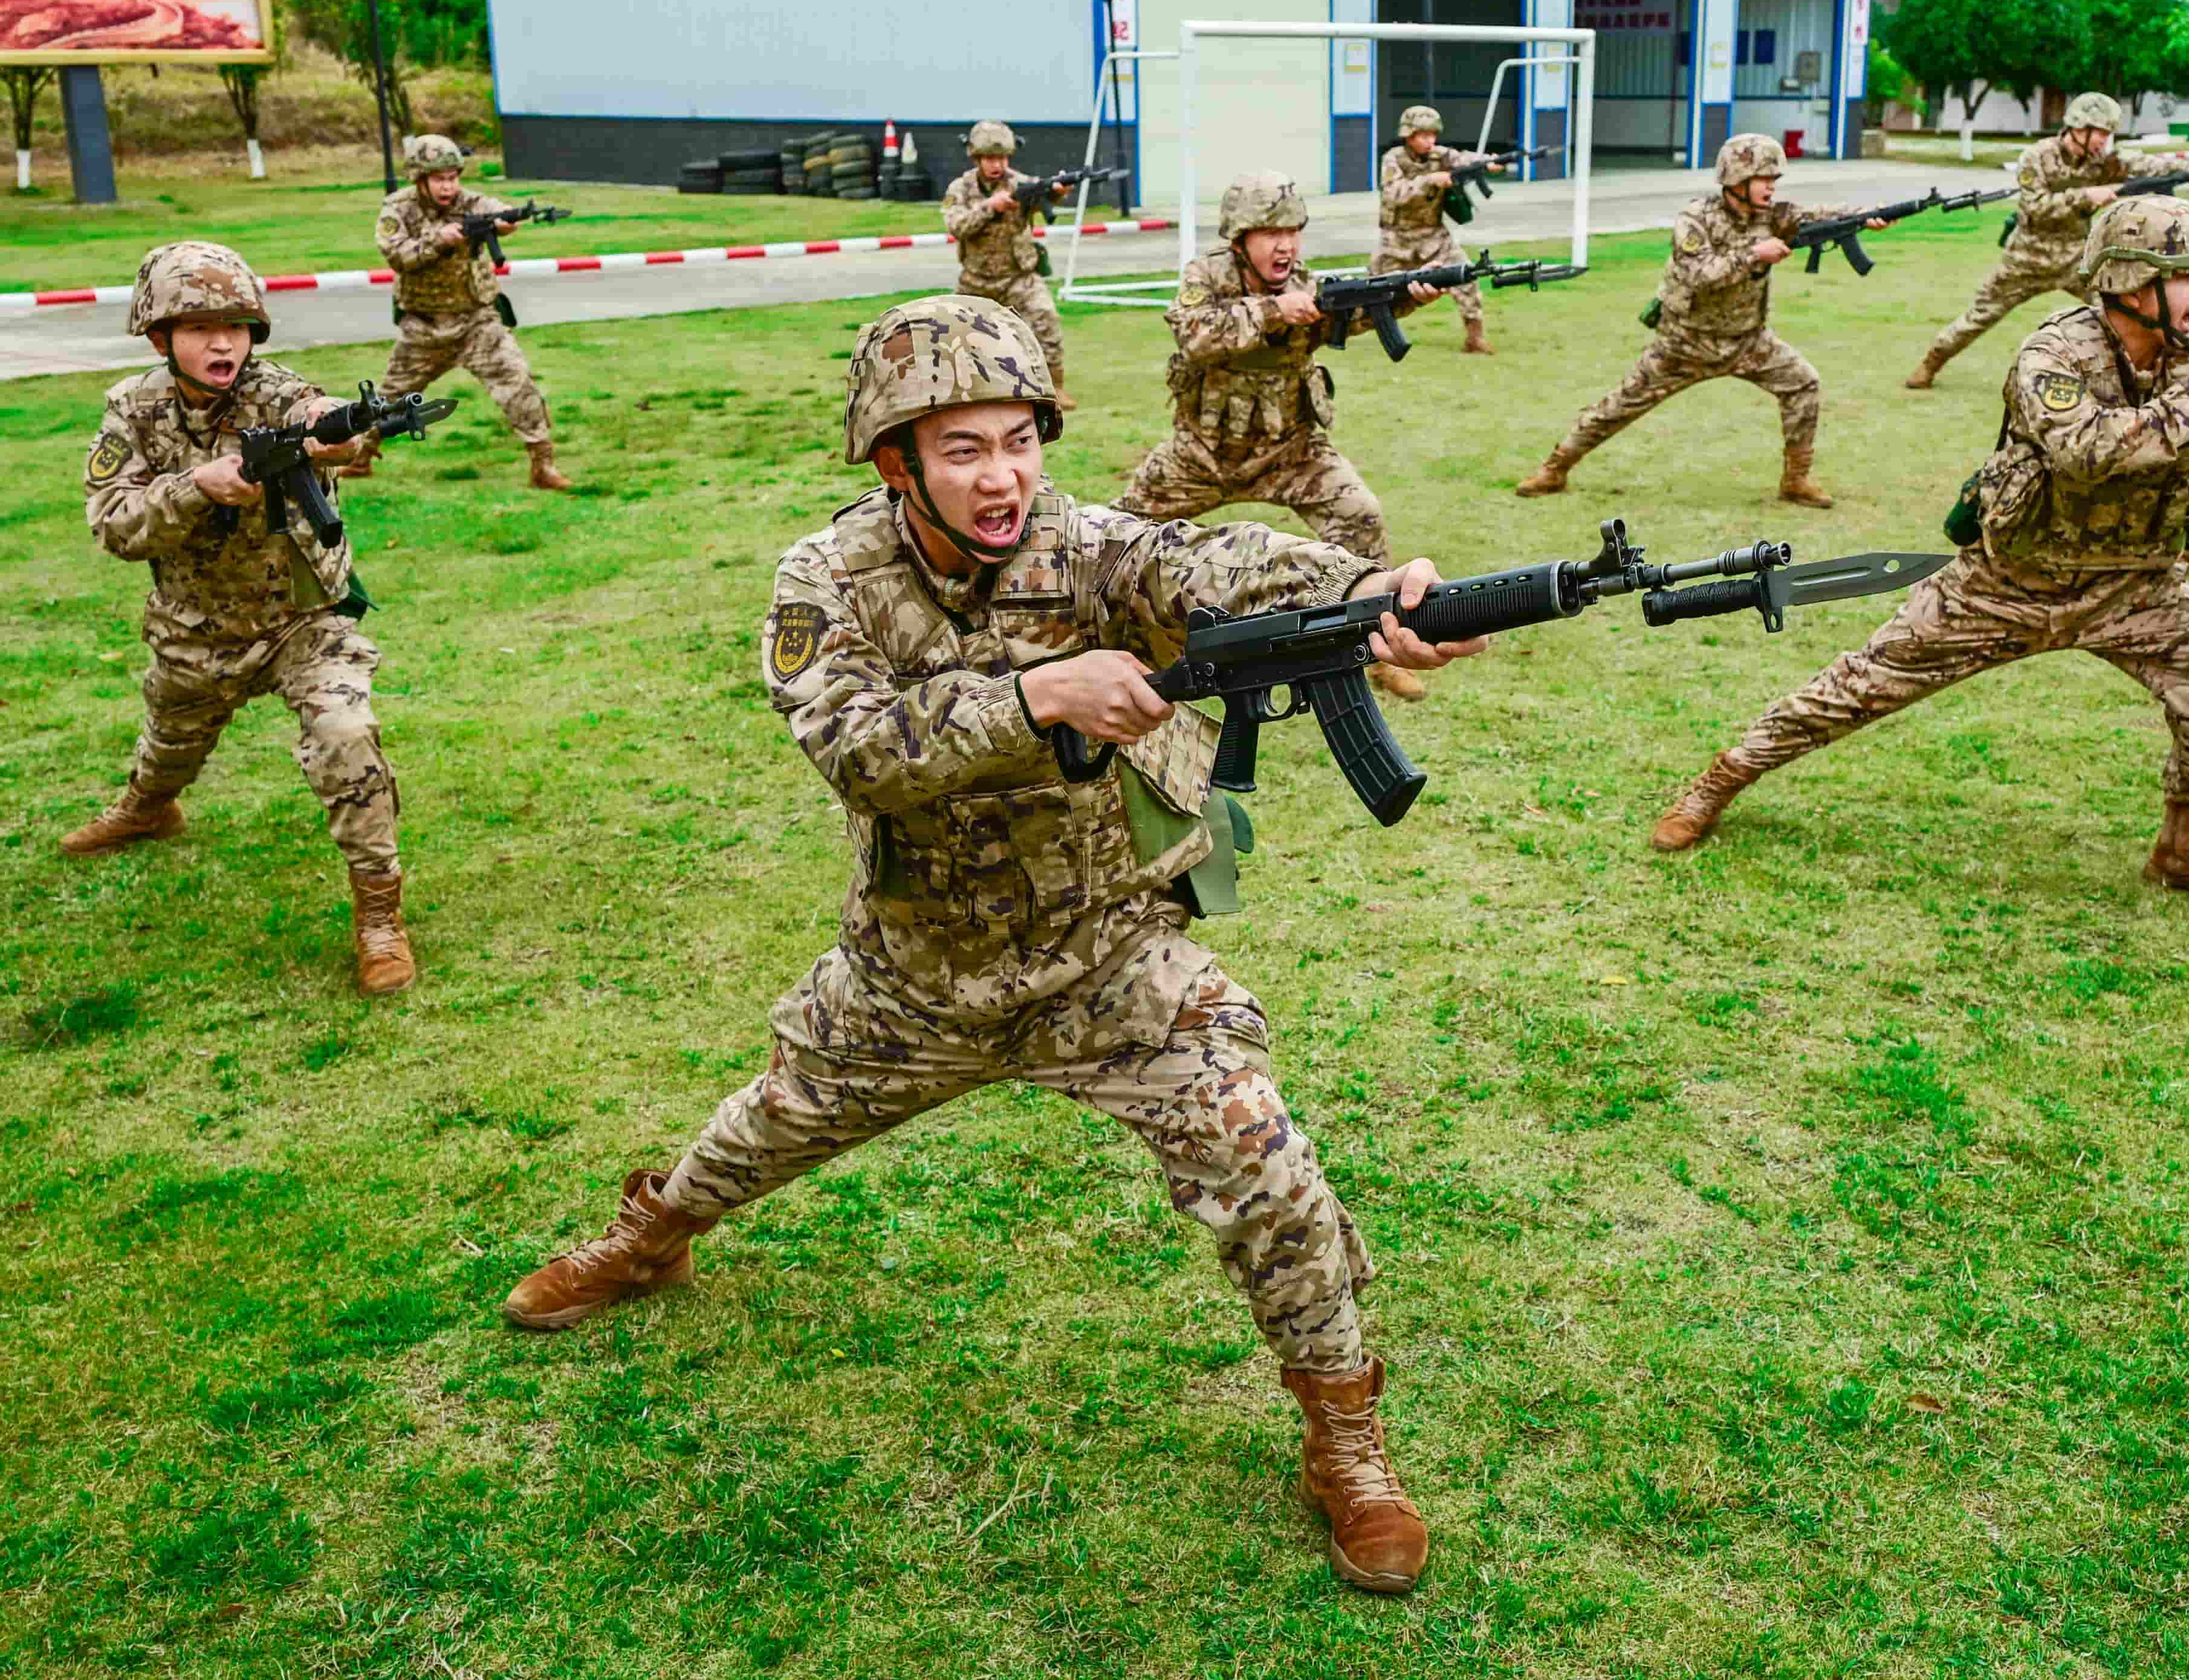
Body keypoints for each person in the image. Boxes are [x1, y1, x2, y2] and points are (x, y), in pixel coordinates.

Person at [501, 296, 1490, 1595]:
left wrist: (1360, 589)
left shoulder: (1085, 546)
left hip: (1110, 957)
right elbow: (855, 746)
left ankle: (1343, 1439)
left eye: (1021, 438)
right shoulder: (825, 579)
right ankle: (654, 1233)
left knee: (1265, 1153)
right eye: (962, 446)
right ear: (893, 459)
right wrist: (1040, 694)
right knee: (770, 1120)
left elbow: (1195, 562)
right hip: (919, 974)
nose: (1004, 474)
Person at [1649, 197, 2189, 907]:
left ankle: (2183, 848)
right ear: (2132, 283)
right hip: (2011, 581)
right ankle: (1719, 783)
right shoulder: (2055, 353)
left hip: (2133, 585)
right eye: (2186, 276)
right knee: (1859, 684)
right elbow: (2085, 450)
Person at [65, 242, 416, 995]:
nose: (222, 342)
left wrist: (339, 428)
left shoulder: (276, 390)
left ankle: (381, 916)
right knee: (168, 749)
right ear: (159, 336)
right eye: (198, 327)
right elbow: (115, 526)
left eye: (237, 325)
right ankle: (146, 810)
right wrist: (198, 486)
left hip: (303, 621)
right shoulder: (134, 408)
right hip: (195, 632)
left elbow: (321, 418)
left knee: (345, 736)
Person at [1112, 171, 1441, 700]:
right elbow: (1192, 334)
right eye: (1270, 234)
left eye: (1293, 232)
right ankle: (1103, 648)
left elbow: (1349, 315)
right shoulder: (1206, 276)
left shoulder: (1304, 281)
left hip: (1291, 450)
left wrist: (1404, 298)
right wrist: (1271, 311)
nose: (1284, 245)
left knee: (1361, 515)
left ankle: (1378, 647)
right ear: (1240, 240)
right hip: (1201, 455)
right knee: (1115, 534)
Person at [1514, 133, 1886, 509]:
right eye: (1765, 178)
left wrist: (1863, 216)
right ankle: (1555, 468)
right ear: (1737, 179)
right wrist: (1756, 254)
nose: (1772, 187)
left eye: (1776, 179)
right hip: (1685, 344)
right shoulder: (1695, 220)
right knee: (1620, 406)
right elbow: (1701, 276)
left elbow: (1817, 216)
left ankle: (1796, 481)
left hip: (1749, 342)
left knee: (1803, 383)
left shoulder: (1773, 216)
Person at [1905, 91, 2169, 390]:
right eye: (2102, 134)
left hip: (2077, 258)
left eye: (2108, 135)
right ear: (2080, 128)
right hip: (2027, 258)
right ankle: (1932, 362)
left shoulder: (2100, 161)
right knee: (1979, 316)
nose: (2104, 141)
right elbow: (2035, 208)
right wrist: (2085, 196)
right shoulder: (2037, 157)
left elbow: (2143, 167)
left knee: (2119, 313)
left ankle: (2139, 377)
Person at [373, 134, 568, 490]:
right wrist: (439, 240)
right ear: (420, 179)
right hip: (424, 327)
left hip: (477, 322)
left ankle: (543, 465)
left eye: (453, 177)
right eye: (439, 179)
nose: (449, 187)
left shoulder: (472, 202)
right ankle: (357, 456)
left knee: (518, 384)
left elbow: (495, 210)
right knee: (388, 400)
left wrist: (506, 222)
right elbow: (397, 256)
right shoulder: (397, 209)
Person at [942, 119, 1078, 410]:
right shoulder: (960, 189)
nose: (997, 165)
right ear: (977, 159)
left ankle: (1056, 388)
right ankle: (958, 394)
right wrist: (990, 207)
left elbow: (1044, 194)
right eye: (991, 158)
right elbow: (957, 225)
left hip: (1019, 278)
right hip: (975, 281)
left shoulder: (1019, 183)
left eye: (1002, 158)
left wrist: (1057, 192)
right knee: (955, 337)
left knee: (1047, 323)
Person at [1372, 103, 1493, 356]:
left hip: (1434, 236)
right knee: (1373, 289)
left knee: (1466, 278)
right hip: (1396, 239)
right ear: (1409, 136)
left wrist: (1488, 162)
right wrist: (1430, 180)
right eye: (1424, 135)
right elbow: (1394, 193)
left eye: (1433, 135)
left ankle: (1476, 339)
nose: (1431, 141)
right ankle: (1341, 328)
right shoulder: (1393, 159)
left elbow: (1464, 158)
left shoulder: (1440, 156)